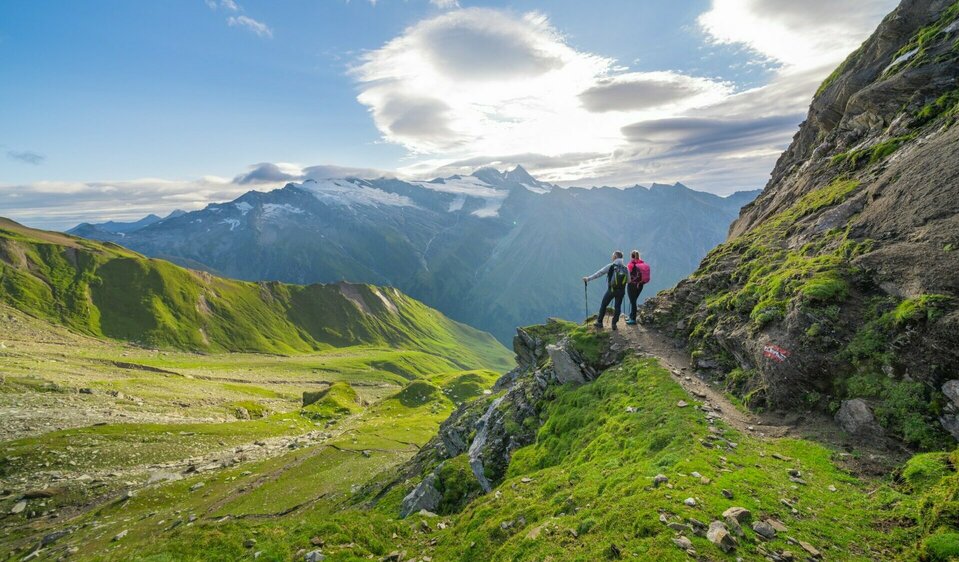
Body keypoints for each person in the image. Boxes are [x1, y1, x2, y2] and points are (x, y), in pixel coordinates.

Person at [582, 250, 629, 330]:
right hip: (621, 291)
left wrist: (588, 279)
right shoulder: (625, 268)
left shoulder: (611, 266)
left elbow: (599, 273)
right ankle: (614, 324)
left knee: (604, 304)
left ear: (615, 257)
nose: (612, 257)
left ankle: (599, 322)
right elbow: (628, 281)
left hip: (611, 290)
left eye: (613, 256)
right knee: (618, 307)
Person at [625, 250, 650, 325]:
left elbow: (627, 274)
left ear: (631, 256)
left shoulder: (631, 264)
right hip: (641, 285)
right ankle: (631, 316)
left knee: (633, 302)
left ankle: (633, 319)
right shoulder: (642, 264)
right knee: (634, 301)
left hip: (632, 285)